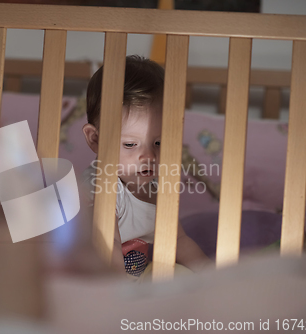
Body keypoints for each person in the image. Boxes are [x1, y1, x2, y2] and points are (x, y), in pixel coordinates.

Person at [81, 55, 212, 278]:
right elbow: (107, 245)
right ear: (95, 140)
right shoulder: (102, 187)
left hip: (133, 275)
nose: (149, 156)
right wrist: (120, 294)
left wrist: (212, 277)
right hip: (91, 276)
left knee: (180, 275)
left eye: (158, 142)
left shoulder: (158, 185)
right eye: (130, 144)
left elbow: (177, 241)